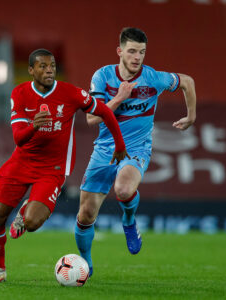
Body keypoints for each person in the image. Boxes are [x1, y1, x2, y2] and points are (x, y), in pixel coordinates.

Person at [0, 48, 129, 283]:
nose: (49, 69)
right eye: (42, 66)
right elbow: (18, 138)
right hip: (20, 163)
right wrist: (34, 126)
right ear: (31, 70)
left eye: (52, 65)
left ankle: (26, 209)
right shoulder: (20, 93)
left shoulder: (70, 93)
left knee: (31, 223)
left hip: (51, 169)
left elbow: (104, 112)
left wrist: (119, 144)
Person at [75, 27, 197, 277]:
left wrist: (191, 115)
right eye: (131, 51)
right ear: (119, 51)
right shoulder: (103, 77)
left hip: (136, 148)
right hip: (104, 150)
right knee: (86, 214)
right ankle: (86, 263)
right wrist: (119, 98)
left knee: (123, 189)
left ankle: (129, 221)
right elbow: (90, 119)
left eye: (141, 52)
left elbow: (187, 81)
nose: (137, 57)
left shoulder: (152, 78)